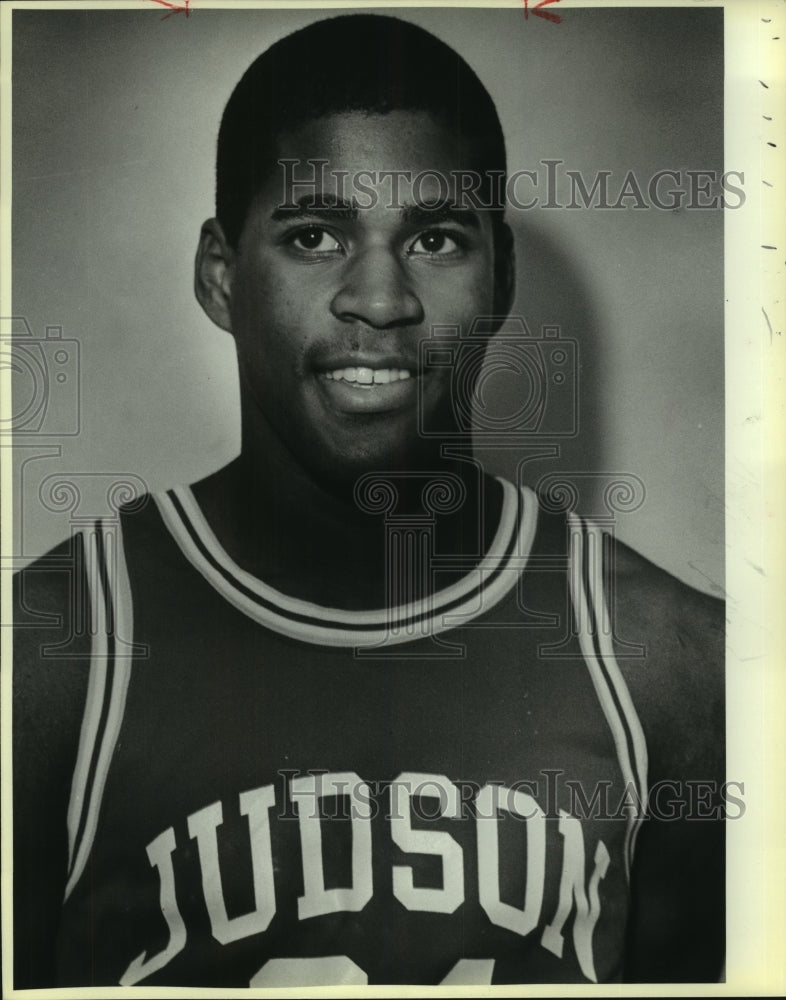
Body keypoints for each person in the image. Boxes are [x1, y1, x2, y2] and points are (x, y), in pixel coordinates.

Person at [12, 13, 724, 988]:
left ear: (502, 276)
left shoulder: (678, 673)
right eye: (314, 235)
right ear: (222, 275)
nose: (379, 299)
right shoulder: (53, 660)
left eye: (434, 237)